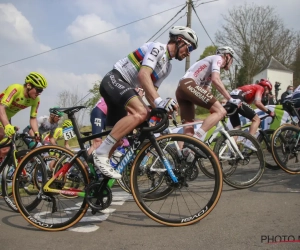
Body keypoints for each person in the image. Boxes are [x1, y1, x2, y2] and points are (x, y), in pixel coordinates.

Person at [92, 26, 199, 179]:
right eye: (189, 48)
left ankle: (92, 177)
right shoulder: (158, 48)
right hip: (114, 80)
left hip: (122, 88)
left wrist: (162, 111)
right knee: (141, 112)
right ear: (180, 40)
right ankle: (101, 153)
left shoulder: (167, 67)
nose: (189, 53)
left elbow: (150, 92)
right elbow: (143, 75)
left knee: (118, 138)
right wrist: (160, 102)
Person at [175, 46, 240, 140]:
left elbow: (205, 90)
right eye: (232, 59)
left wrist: (214, 106)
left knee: (188, 130)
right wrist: (230, 99)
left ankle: (185, 152)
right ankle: (196, 140)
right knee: (221, 111)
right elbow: (216, 79)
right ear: (228, 56)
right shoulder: (218, 58)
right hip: (188, 85)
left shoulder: (209, 66)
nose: (231, 62)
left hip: (181, 89)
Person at [0, 72, 47, 159]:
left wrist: (36, 132)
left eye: (41, 91)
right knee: (1, 133)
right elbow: (1, 107)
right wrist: (7, 125)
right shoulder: (15, 89)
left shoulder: (36, 100)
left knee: (6, 148)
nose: (39, 93)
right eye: (38, 90)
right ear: (29, 85)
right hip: (1, 113)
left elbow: (33, 118)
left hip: (5, 118)